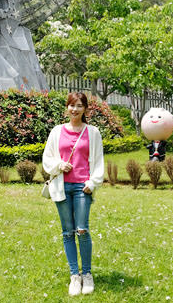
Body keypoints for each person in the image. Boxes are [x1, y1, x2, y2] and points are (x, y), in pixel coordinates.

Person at [43, 92, 105, 296]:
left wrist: (92, 182)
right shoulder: (56, 131)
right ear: (67, 108)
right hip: (62, 187)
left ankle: (87, 274)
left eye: (79, 106)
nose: (75, 109)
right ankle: (74, 276)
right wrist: (59, 164)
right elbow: (47, 158)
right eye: (71, 105)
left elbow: (97, 161)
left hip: (82, 188)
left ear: (85, 109)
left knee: (82, 230)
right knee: (67, 232)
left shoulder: (93, 132)